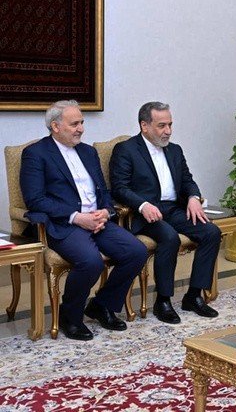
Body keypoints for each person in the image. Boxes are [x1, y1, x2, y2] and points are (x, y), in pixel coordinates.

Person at [20, 100, 147, 341]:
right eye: (74, 124)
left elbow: (103, 192)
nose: (81, 128)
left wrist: (106, 212)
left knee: (136, 251)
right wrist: (77, 217)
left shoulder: (88, 152)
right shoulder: (36, 154)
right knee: (91, 262)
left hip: (98, 221)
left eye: (82, 123)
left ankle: (101, 305)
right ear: (55, 126)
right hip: (63, 224)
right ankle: (70, 317)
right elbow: (35, 200)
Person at [109, 101, 221, 324]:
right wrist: (143, 205)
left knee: (211, 232)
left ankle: (193, 296)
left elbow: (187, 180)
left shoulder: (175, 150)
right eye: (161, 126)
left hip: (173, 209)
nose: (168, 131)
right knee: (169, 237)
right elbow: (119, 188)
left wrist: (193, 198)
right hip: (143, 214)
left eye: (170, 124)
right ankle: (163, 301)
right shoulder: (126, 150)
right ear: (144, 126)